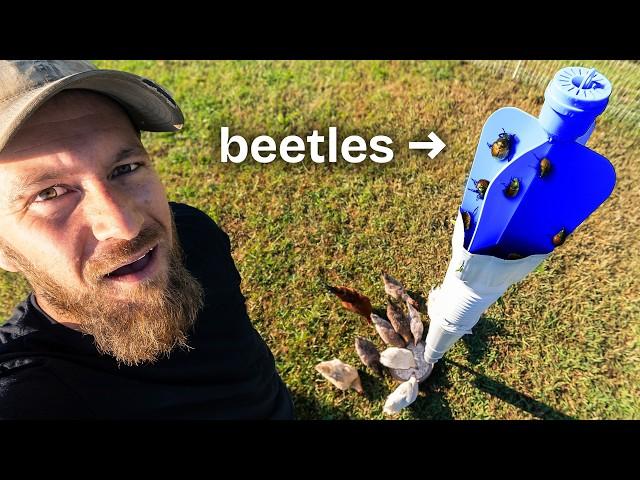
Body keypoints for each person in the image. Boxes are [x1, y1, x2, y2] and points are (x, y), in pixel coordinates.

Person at [0, 60, 294, 419]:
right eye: (50, 194)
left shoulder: (196, 235)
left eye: (124, 168)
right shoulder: (27, 394)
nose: (124, 225)